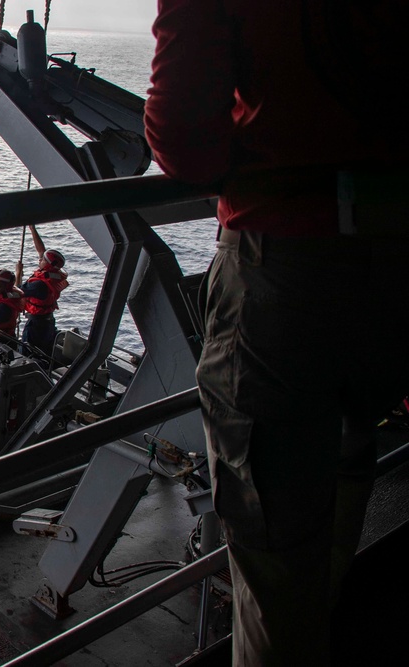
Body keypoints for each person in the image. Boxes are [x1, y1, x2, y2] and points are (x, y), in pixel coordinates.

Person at [144, 2, 409, 664]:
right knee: (351, 451)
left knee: (274, 560)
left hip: (285, 273)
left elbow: (183, 142)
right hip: (395, 259)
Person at [16, 224, 67, 362]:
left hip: (36, 326)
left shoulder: (39, 285)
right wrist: (32, 229)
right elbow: (41, 251)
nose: (40, 259)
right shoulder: (55, 274)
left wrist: (18, 272)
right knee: (44, 351)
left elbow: (16, 292)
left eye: (43, 260)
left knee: (28, 355)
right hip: (48, 322)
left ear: (48, 265)